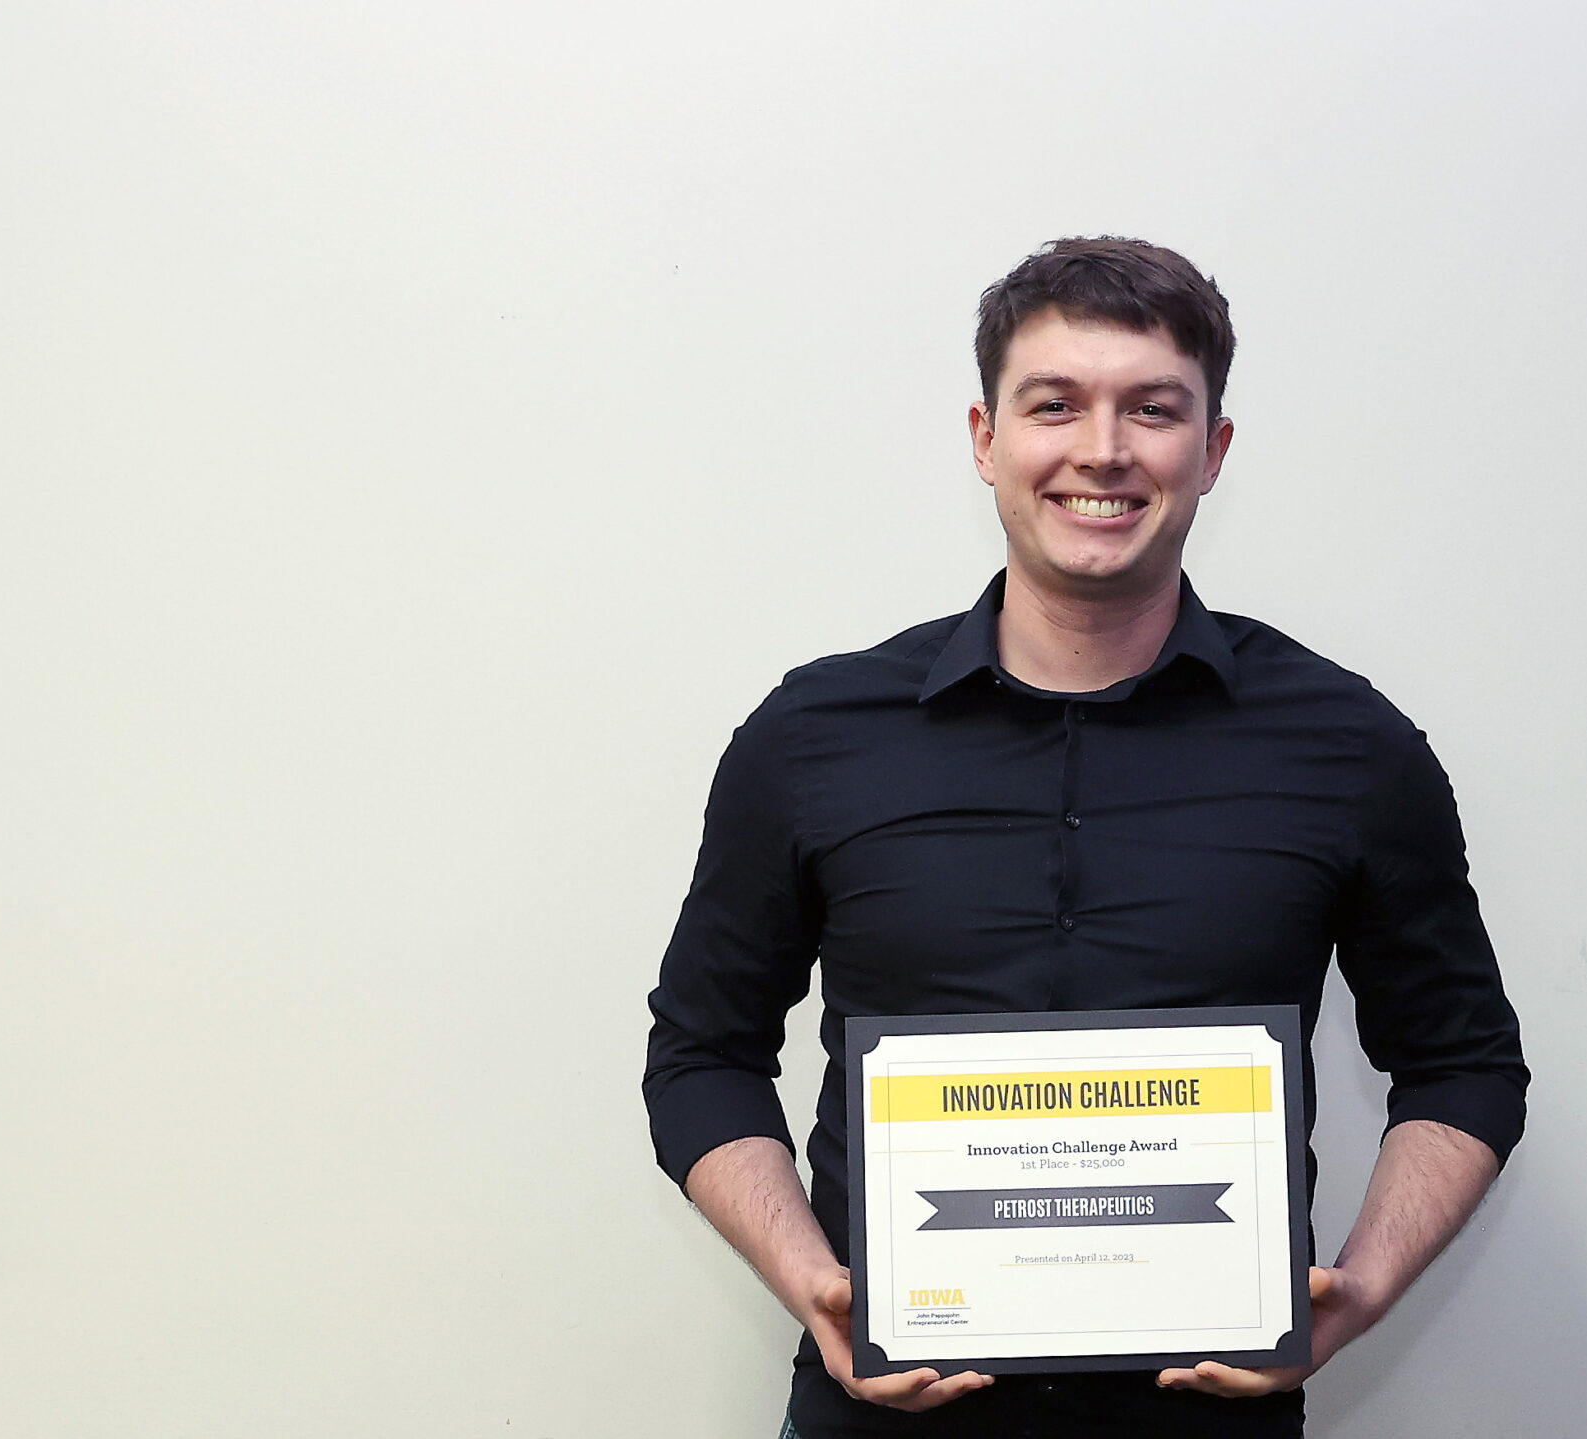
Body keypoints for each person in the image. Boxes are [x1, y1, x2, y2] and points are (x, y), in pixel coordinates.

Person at [645, 237, 1528, 1438]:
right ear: (984, 436)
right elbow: (700, 1053)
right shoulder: (812, 736)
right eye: (1053, 404)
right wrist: (812, 1280)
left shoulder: (1348, 745)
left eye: (1152, 409)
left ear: (1211, 452)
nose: (1101, 449)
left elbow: (1466, 1063)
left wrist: (1354, 1294)